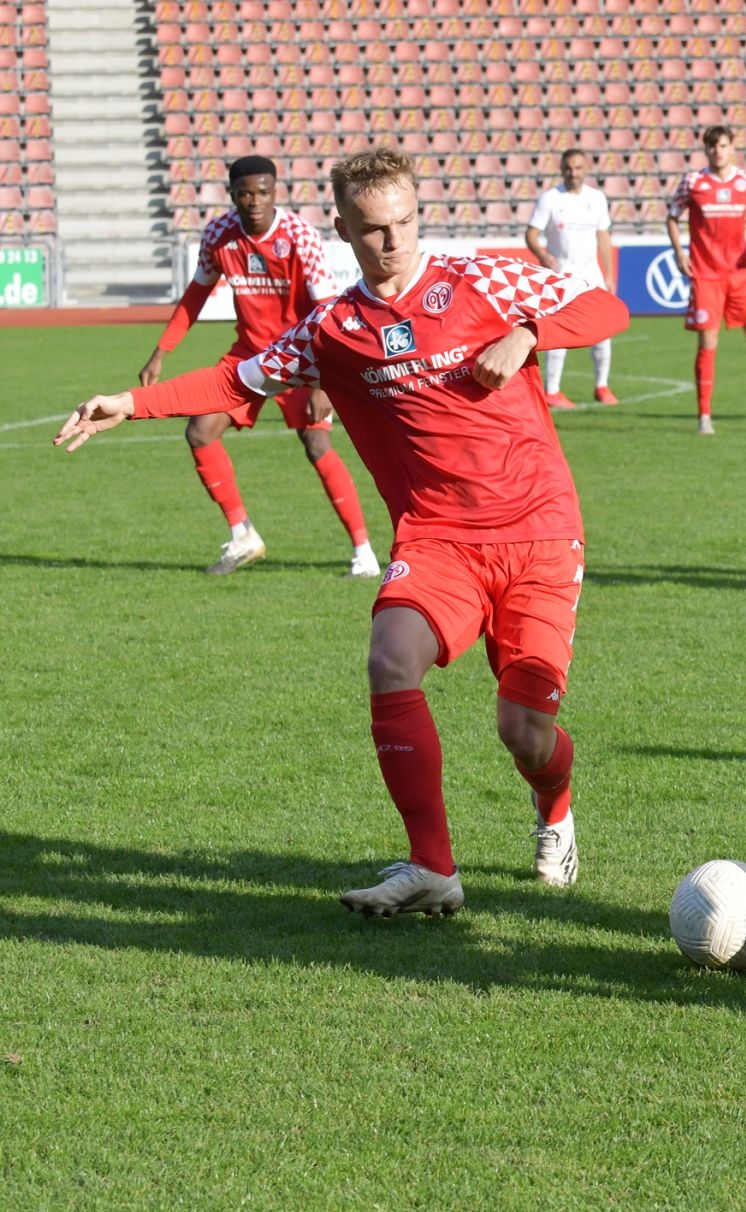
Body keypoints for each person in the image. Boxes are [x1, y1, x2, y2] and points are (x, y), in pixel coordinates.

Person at [57, 146, 631, 914]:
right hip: (437, 539)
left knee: (524, 731)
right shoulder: (333, 329)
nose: (393, 242)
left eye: (404, 222)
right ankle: (433, 868)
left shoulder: (483, 279)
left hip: (539, 532)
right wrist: (129, 402)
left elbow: (607, 309)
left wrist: (527, 332)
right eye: (373, 230)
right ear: (343, 231)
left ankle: (554, 808)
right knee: (390, 659)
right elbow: (237, 379)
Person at [140, 154, 378, 578]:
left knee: (317, 444)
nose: (255, 201)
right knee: (200, 431)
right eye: (245, 193)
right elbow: (196, 294)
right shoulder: (219, 235)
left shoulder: (299, 236)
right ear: (232, 195)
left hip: (301, 355)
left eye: (263, 192)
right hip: (249, 355)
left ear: (274, 192)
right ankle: (243, 535)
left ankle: (364, 553)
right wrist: (161, 351)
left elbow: (326, 309)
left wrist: (323, 383)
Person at [666, 124, 746, 436]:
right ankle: (704, 416)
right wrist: (680, 253)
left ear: (732, 148)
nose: (717, 151)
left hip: (740, 273)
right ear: (705, 150)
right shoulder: (693, 182)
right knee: (708, 342)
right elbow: (672, 216)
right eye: (712, 146)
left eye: (722, 145)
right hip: (706, 274)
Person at [526, 147, 617, 409]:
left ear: (585, 169)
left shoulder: (597, 198)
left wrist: (609, 274)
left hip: (592, 276)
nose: (573, 173)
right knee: (559, 334)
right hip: (561, 279)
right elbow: (531, 234)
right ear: (561, 169)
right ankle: (552, 391)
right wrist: (542, 255)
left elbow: (603, 236)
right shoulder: (550, 199)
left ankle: (602, 385)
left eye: (578, 168)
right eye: (568, 168)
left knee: (603, 331)